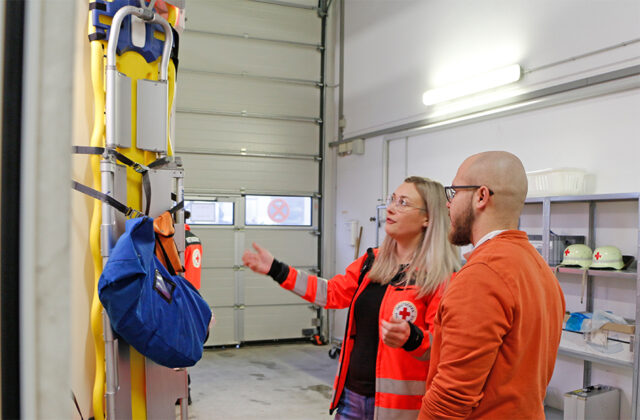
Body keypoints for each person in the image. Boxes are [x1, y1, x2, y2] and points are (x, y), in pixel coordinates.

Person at [242, 177, 460, 420]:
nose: (390, 208)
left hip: (400, 408)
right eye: (392, 200)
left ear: (428, 218)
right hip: (352, 398)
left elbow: (442, 347)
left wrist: (413, 338)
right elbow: (331, 293)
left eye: (403, 203)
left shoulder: (441, 276)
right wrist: (277, 269)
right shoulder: (371, 262)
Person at [419, 151, 566, 419]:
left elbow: (451, 398)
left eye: (454, 192)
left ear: (481, 196)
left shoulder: (482, 276)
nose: (448, 205)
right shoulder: (539, 268)